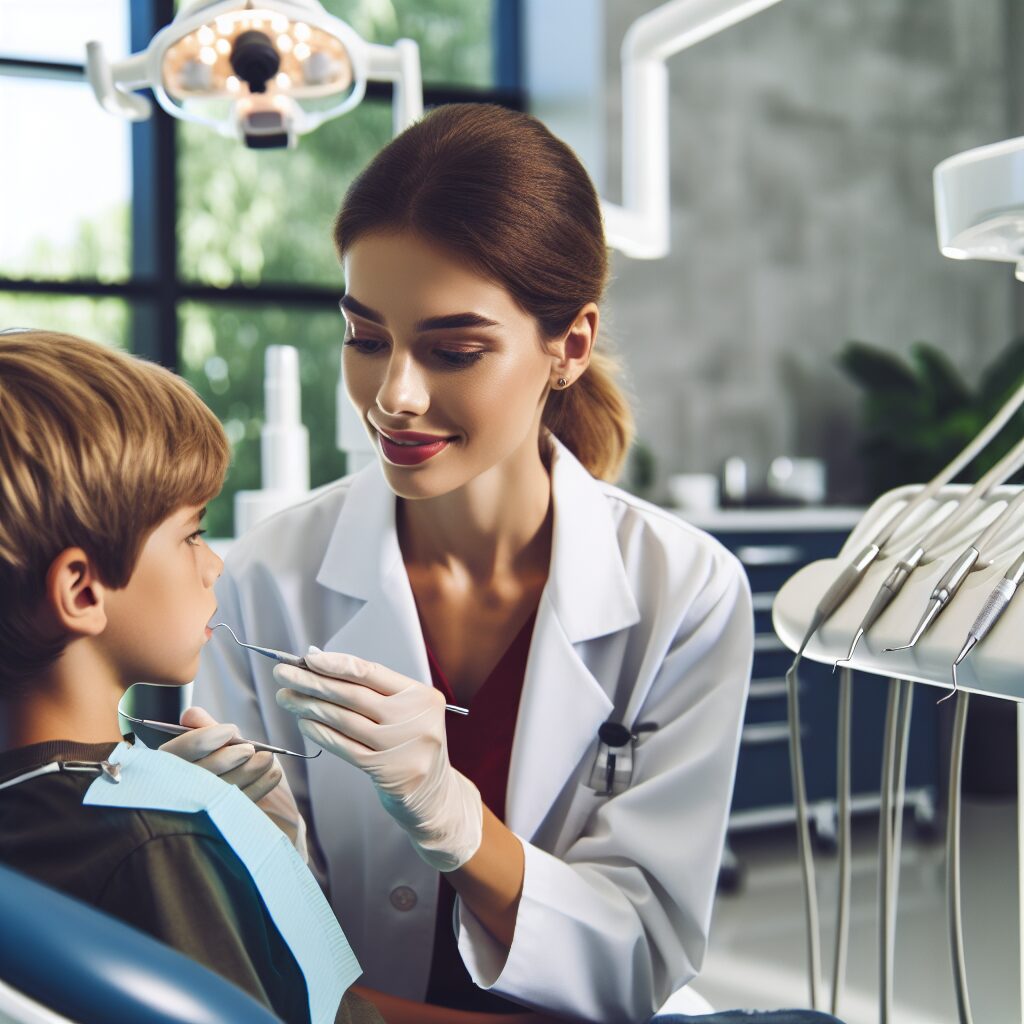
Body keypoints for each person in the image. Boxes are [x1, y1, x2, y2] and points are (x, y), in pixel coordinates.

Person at [192, 102, 764, 1024]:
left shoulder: (683, 591)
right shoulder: (268, 577)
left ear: (568, 347)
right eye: (366, 337)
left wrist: (457, 824)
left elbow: (638, 956)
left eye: (454, 350)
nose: (394, 397)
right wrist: (249, 844)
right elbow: (246, 954)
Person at [0, 330, 382, 1024]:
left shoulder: (30, 812)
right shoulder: (155, 847)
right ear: (83, 591)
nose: (216, 566)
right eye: (192, 534)